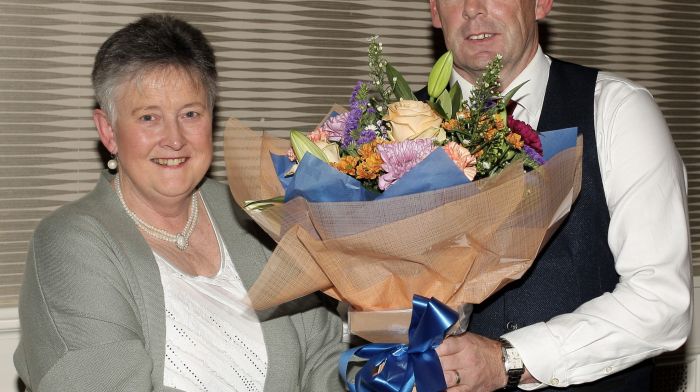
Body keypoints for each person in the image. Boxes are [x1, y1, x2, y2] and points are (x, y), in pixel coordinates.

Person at [13, 14, 347, 392]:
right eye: (148, 117)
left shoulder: (259, 217)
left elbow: (323, 361)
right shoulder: (68, 246)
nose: (174, 139)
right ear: (108, 130)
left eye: (190, 114)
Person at [428, 1, 693, 391]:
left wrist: (508, 360)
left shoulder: (617, 110)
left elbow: (661, 302)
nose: (473, 8)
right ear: (434, 11)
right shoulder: (387, 134)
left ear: (541, 2)